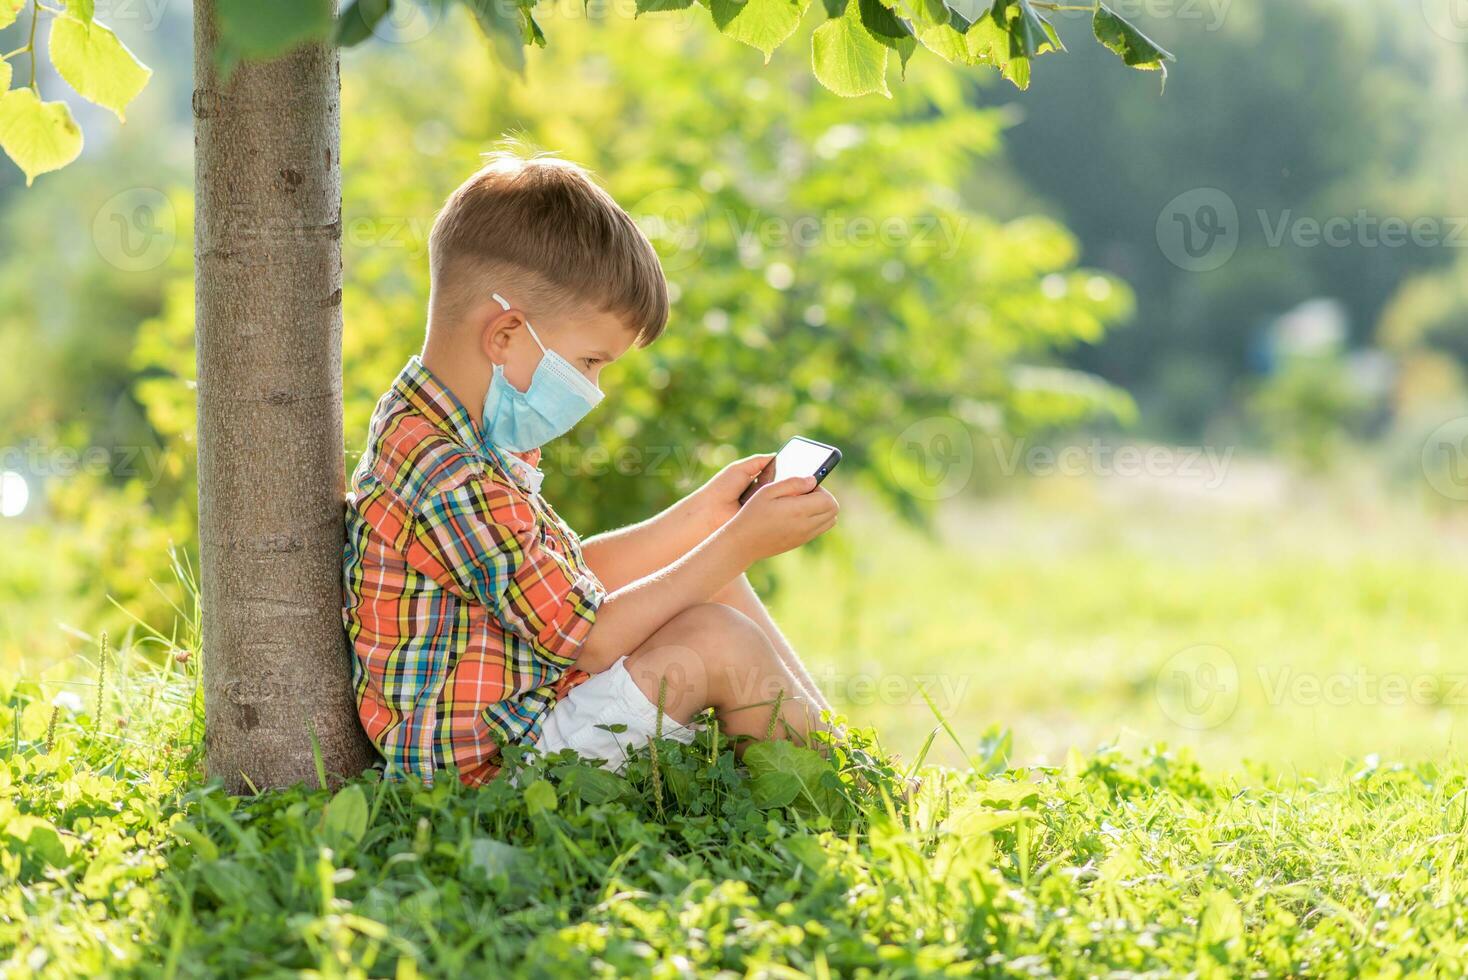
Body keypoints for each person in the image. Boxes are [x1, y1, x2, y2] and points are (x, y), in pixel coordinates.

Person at [343, 150, 839, 786]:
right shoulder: (449, 474)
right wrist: (741, 540)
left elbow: (564, 582)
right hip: (497, 771)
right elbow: (591, 639)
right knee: (718, 637)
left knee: (709, 569)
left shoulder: (447, 425)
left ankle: (836, 755)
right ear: (505, 334)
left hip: (525, 706)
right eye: (590, 362)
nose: (593, 388)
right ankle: (837, 797)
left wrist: (708, 518)